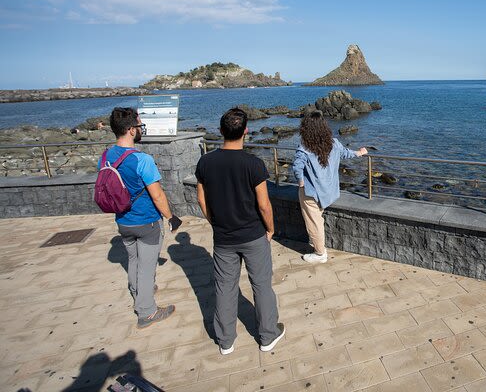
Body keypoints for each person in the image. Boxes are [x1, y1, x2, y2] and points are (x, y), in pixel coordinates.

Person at [195, 107, 285, 355]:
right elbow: (264, 205)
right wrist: (271, 229)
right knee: (262, 285)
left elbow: (202, 199)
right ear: (246, 131)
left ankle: (225, 341)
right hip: (253, 235)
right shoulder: (253, 164)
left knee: (224, 287)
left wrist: (214, 221)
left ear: (221, 130)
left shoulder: (206, 162)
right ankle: (267, 336)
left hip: (223, 237)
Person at [100, 107, 181, 328]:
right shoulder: (141, 159)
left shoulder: (106, 156)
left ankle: (138, 291)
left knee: (133, 259)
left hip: (123, 221)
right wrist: (171, 217)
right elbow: (157, 194)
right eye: (139, 126)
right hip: (146, 221)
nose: (140, 129)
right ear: (130, 130)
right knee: (147, 266)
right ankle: (147, 312)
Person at [293, 110, 368, 264]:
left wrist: (301, 182)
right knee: (317, 220)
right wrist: (360, 153)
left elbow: (297, 167)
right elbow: (346, 153)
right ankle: (319, 248)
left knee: (314, 223)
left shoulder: (304, 148)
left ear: (306, 129)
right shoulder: (334, 143)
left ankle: (320, 254)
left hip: (312, 193)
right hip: (328, 191)